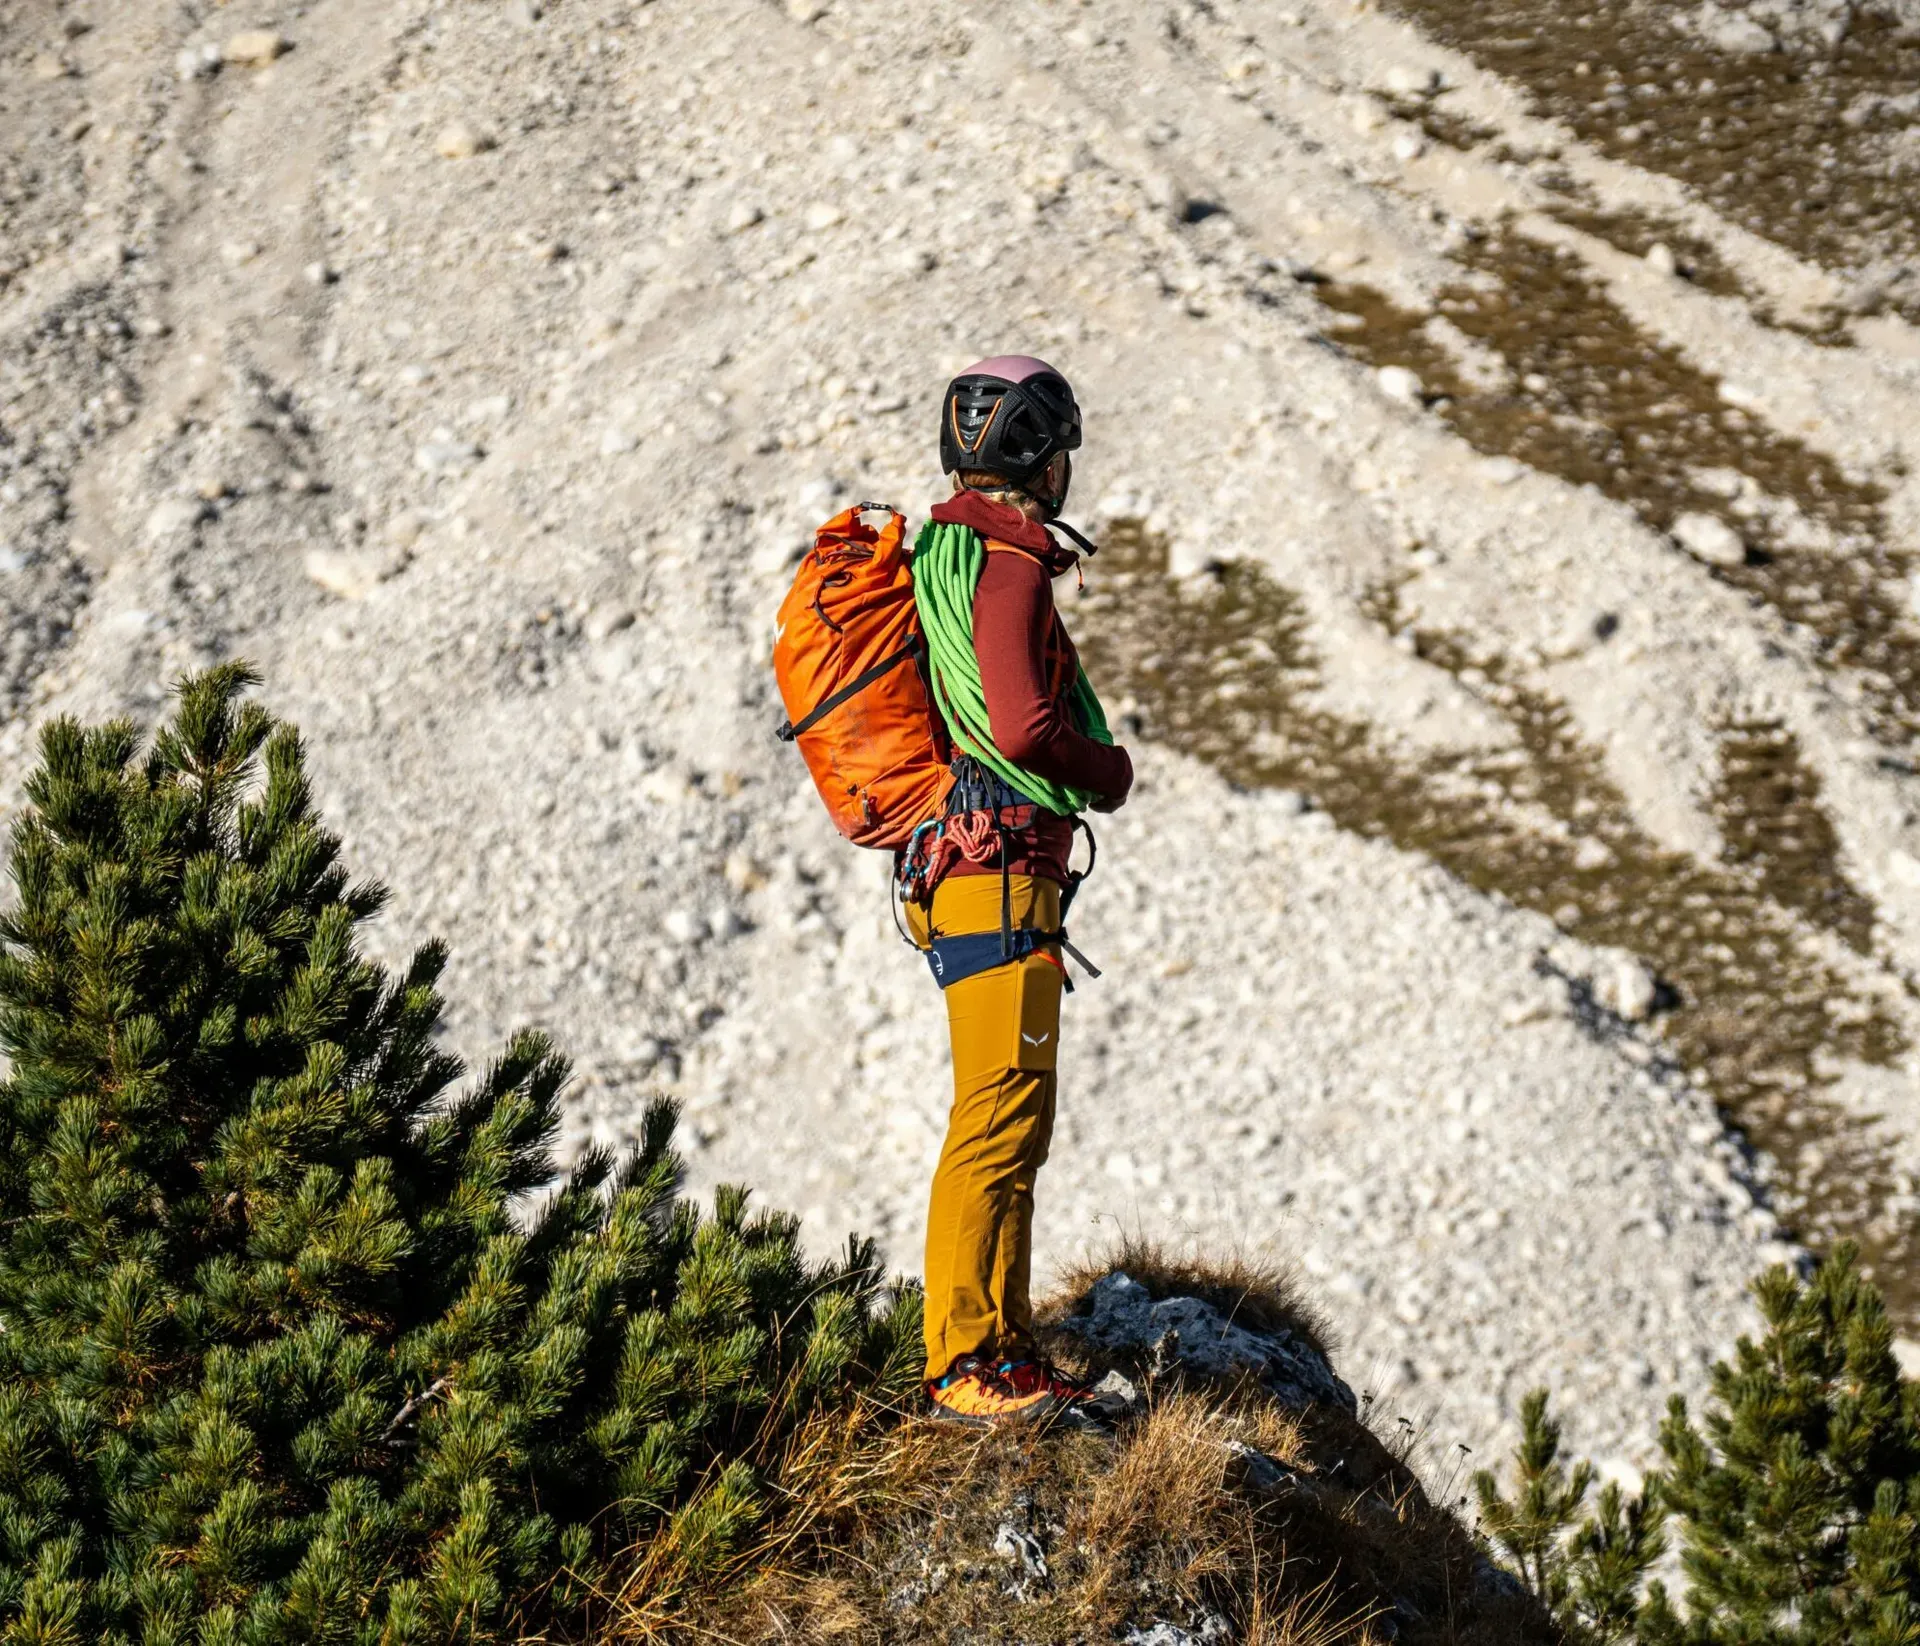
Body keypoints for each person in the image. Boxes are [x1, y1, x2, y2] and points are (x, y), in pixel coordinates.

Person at [901, 356, 1134, 1428]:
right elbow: (1022, 725)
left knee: (1009, 1113)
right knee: (997, 1115)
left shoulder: (943, 551)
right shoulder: (1004, 565)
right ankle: (964, 1359)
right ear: (1038, 459)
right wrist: (1107, 768)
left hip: (971, 865)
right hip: (998, 866)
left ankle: (1000, 1344)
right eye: (1062, 454)